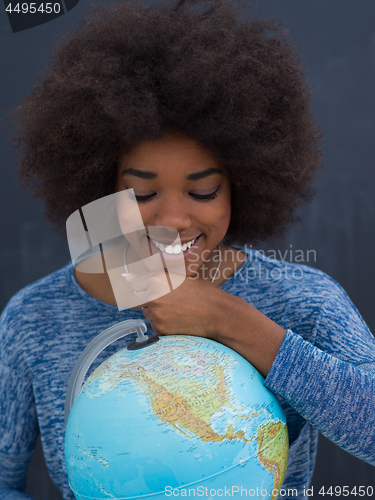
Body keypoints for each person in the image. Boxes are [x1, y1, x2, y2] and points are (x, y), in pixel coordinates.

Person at [1, 0, 375, 498]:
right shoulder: (33, 317)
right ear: (99, 189)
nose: (173, 220)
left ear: (243, 185)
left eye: (203, 192)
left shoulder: (305, 303)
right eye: (141, 195)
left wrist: (234, 322)